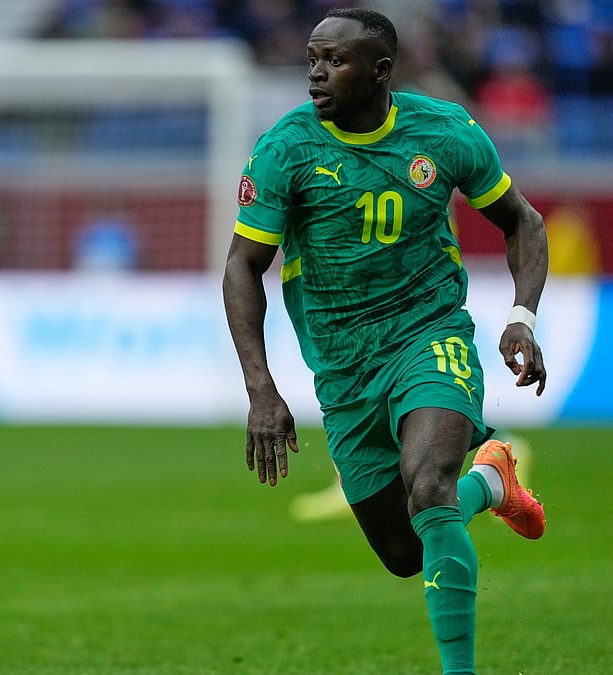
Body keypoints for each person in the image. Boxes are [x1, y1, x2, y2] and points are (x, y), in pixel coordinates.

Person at [222, 8, 548, 674]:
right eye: (312, 59)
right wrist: (261, 388)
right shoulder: (286, 149)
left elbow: (522, 222)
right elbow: (241, 267)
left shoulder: (444, 132)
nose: (316, 73)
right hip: (342, 365)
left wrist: (522, 315)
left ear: (380, 71)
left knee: (429, 487)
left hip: (429, 334)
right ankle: (492, 480)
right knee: (406, 553)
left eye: (334, 60)